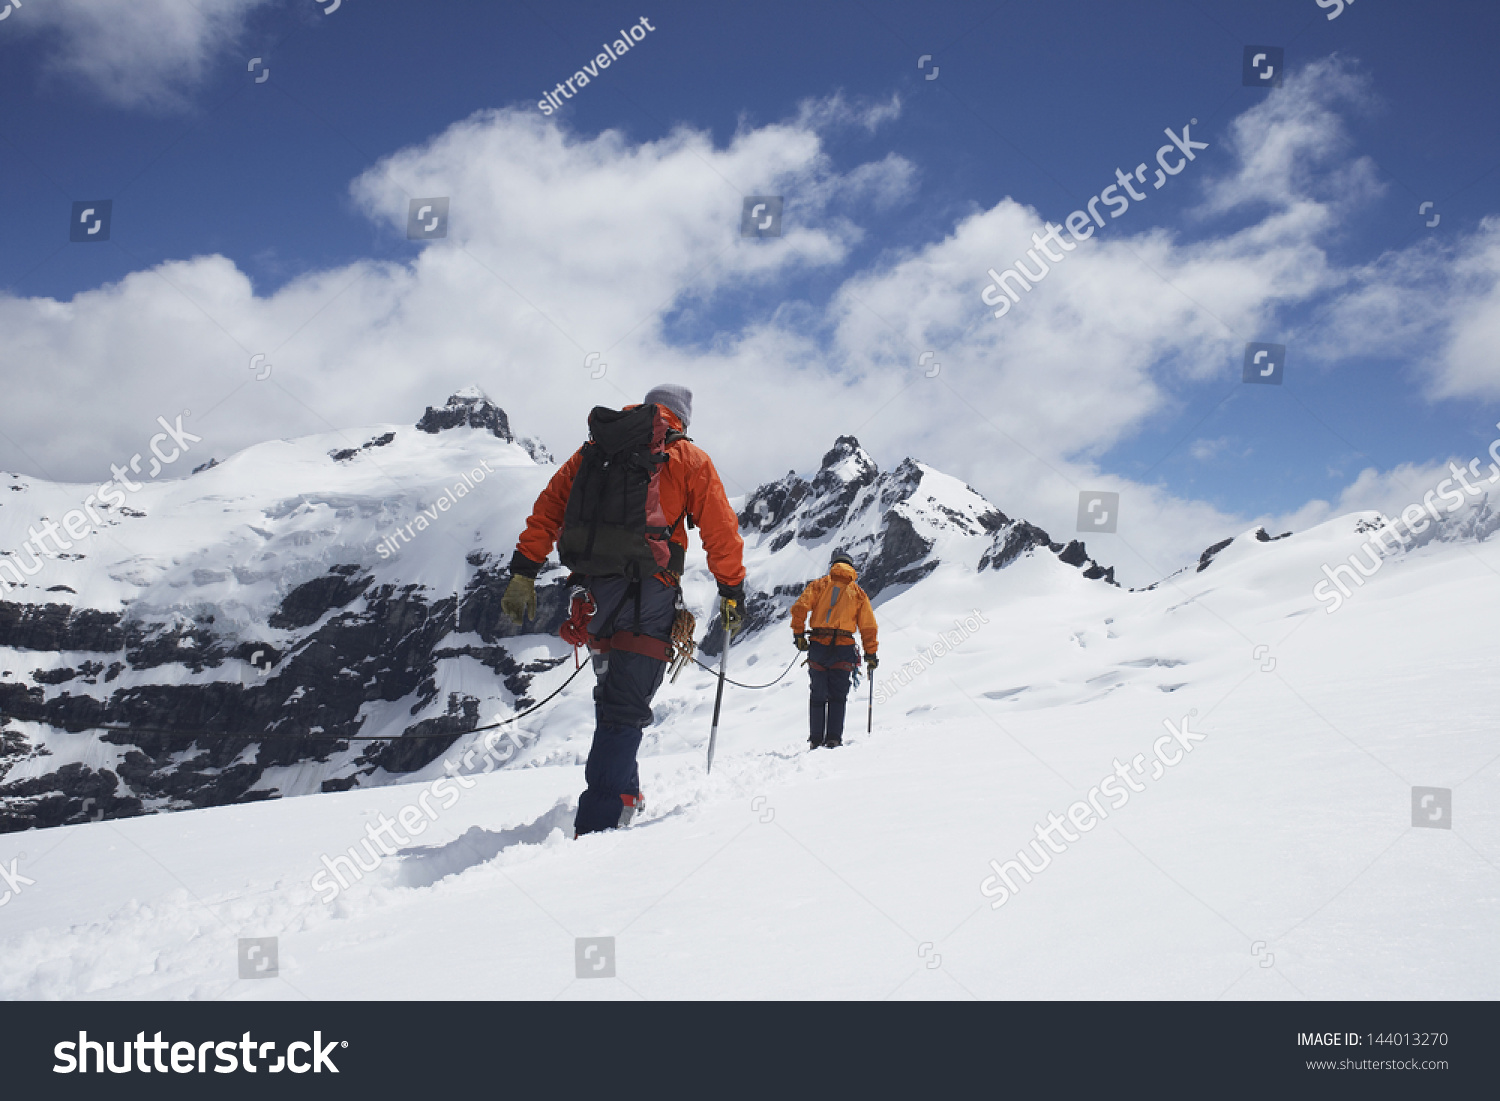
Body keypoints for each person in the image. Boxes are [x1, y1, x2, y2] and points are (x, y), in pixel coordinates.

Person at [500, 384, 747, 836]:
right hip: (647, 596)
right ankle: (598, 826)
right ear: (681, 419)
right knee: (624, 708)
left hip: (593, 597)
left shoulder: (594, 450)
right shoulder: (688, 458)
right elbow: (720, 531)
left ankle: (624, 794)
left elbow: (548, 511)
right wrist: (732, 590)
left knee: (615, 696)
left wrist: (524, 571)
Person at [790, 551, 878, 749]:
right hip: (844, 648)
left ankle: (815, 740)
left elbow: (800, 608)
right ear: (851, 568)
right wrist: (870, 654)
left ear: (833, 565)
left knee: (817, 694)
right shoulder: (858, 593)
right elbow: (868, 627)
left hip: (818, 645)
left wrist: (798, 634)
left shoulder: (819, 585)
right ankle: (833, 739)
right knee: (838, 696)